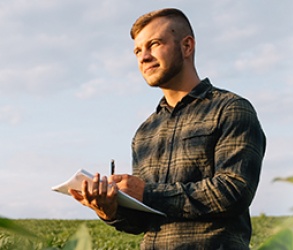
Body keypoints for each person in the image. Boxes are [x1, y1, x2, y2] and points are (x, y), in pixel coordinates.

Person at [69, 8, 266, 249]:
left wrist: (147, 193)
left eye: (154, 44)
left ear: (187, 46)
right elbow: (145, 219)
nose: (143, 57)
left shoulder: (230, 109)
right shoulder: (145, 132)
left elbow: (234, 191)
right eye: (138, 51)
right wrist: (110, 210)